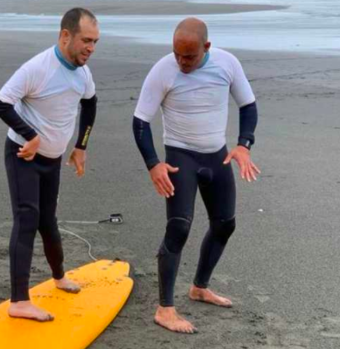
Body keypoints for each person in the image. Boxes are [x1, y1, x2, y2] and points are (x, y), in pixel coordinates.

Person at [132, 17, 260, 333]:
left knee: (225, 224)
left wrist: (244, 145)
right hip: (180, 157)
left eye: (189, 56)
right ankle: (165, 309)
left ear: (207, 47)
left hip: (217, 154)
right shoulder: (163, 70)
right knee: (178, 229)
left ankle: (199, 287)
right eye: (177, 54)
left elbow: (248, 105)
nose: (181, 62)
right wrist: (153, 164)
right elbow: (140, 121)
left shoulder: (227, 64)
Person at [0, 8, 100, 322]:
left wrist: (81, 146)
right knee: (27, 218)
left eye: (95, 42)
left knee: (48, 220)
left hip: (52, 160)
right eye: (85, 41)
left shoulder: (83, 72)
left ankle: (59, 277)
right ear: (65, 35)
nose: (90, 48)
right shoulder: (37, 68)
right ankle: (19, 301)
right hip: (23, 155)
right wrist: (30, 135)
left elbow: (90, 103)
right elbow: (1, 103)